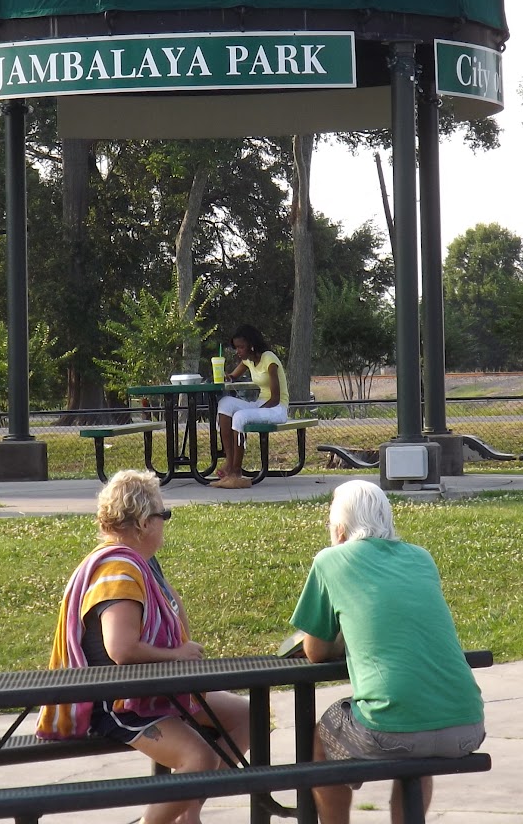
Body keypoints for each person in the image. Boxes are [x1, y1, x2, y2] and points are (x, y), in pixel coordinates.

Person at [38, 470, 250, 824]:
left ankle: (188, 813)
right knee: (199, 759)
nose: (166, 523)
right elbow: (121, 648)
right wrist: (177, 655)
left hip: (158, 689)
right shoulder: (117, 569)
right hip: (123, 701)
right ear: (142, 521)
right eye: (163, 515)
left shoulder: (140, 564)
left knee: (247, 716)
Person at [290, 481, 485, 824]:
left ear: (338, 527)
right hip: (466, 724)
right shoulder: (421, 557)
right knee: (418, 749)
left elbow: (315, 651)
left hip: (390, 730)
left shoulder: (331, 560)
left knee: (322, 739)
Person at [211, 324, 287, 489]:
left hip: (277, 408)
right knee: (225, 403)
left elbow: (275, 398)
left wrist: (253, 411)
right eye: (236, 347)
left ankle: (236, 473)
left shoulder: (269, 359)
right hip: (261, 404)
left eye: (241, 347)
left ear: (251, 345)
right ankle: (229, 463)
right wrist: (226, 377)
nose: (238, 351)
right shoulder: (248, 360)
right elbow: (232, 376)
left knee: (240, 416)